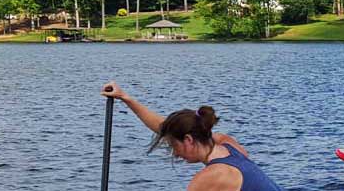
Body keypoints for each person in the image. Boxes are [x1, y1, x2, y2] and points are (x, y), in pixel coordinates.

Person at [100, 82, 283, 191]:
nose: (176, 154)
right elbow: (165, 127)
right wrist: (125, 98)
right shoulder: (228, 145)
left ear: (188, 140)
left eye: (174, 146)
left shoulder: (212, 176)